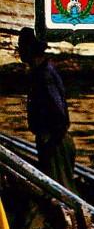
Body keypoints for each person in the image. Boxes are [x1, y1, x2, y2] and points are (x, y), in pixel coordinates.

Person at [17, 27, 77, 193]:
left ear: (30, 49)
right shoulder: (41, 72)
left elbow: (59, 115)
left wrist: (50, 144)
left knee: (61, 192)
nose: (19, 50)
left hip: (55, 142)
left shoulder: (44, 76)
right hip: (53, 140)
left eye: (21, 46)